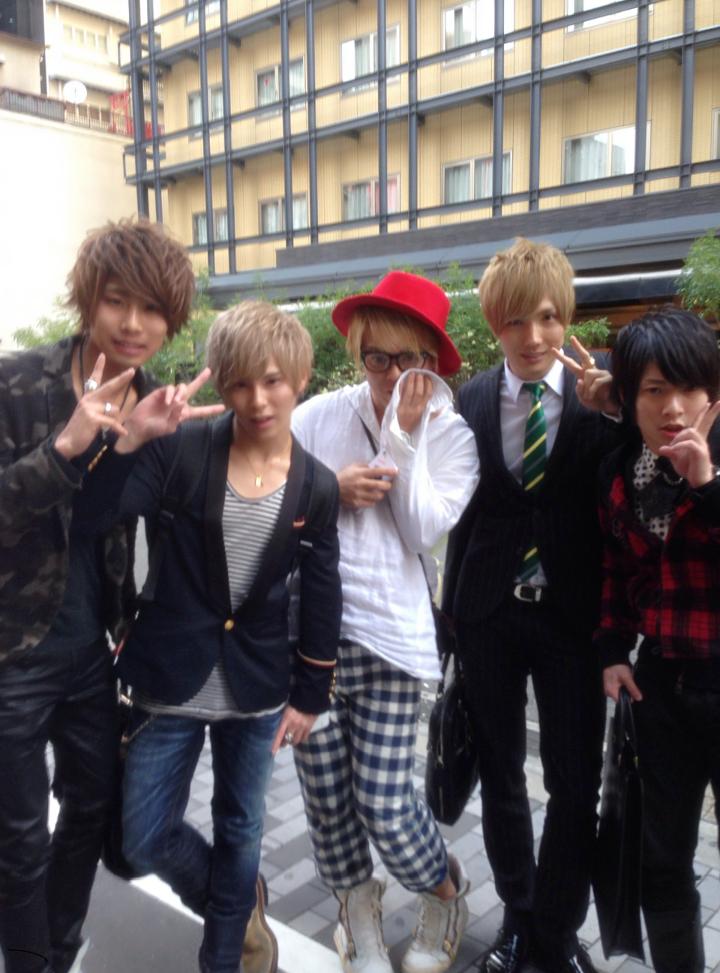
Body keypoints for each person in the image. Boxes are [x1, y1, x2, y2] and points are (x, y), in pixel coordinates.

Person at [79, 300, 342, 973]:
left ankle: (224, 957)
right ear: (221, 384)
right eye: (240, 383)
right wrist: (128, 442)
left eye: (273, 380)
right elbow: (97, 513)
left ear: (301, 377)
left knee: (241, 826)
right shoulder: (181, 451)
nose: (257, 399)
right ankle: (238, 900)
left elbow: (321, 590)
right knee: (142, 835)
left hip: (257, 686)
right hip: (169, 675)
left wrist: (310, 691)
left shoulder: (316, 484)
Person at [0, 219, 217, 973]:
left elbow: (171, 523)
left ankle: (58, 951)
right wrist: (65, 448)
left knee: (91, 810)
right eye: (117, 301)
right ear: (88, 299)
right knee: (18, 838)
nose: (133, 324)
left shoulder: (157, 405)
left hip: (95, 652)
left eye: (153, 309)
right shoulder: (18, 384)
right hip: (12, 653)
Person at [442, 238, 623, 973]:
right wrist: (448, 617)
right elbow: (463, 513)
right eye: (514, 320)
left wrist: (617, 412)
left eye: (547, 316)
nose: (533, 336)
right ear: (494, 323)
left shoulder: (602, 393)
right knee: (501, 772)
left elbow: (633, 490)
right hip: (488, 611)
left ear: (566, 316)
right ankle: (518, 916)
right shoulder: (472, 397)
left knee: (575, 784)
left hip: (572, 616)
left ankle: (557, 929)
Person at [291, 271, 479, 973]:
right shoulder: (317, 416)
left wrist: (400, 436)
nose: (394, 375)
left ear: (432, 358)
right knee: (327, 802)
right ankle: (358, 913)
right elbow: (270, 494)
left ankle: (445, 892)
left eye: (410, 360)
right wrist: (327, 488)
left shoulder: (451, 436)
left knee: (386, 803)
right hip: (310, 636)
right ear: (359, 352)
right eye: (378, 358)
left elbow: (420, 530)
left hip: (392, 641)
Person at [596, 308, 720, 973]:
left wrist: (706, 485)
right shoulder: (622, 472)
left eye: (690, 388)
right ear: (629, 398)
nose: (674, 407)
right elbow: (618, 570)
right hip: (662, 686)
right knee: (662, 859)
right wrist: (613, 651)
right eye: (654, 390)